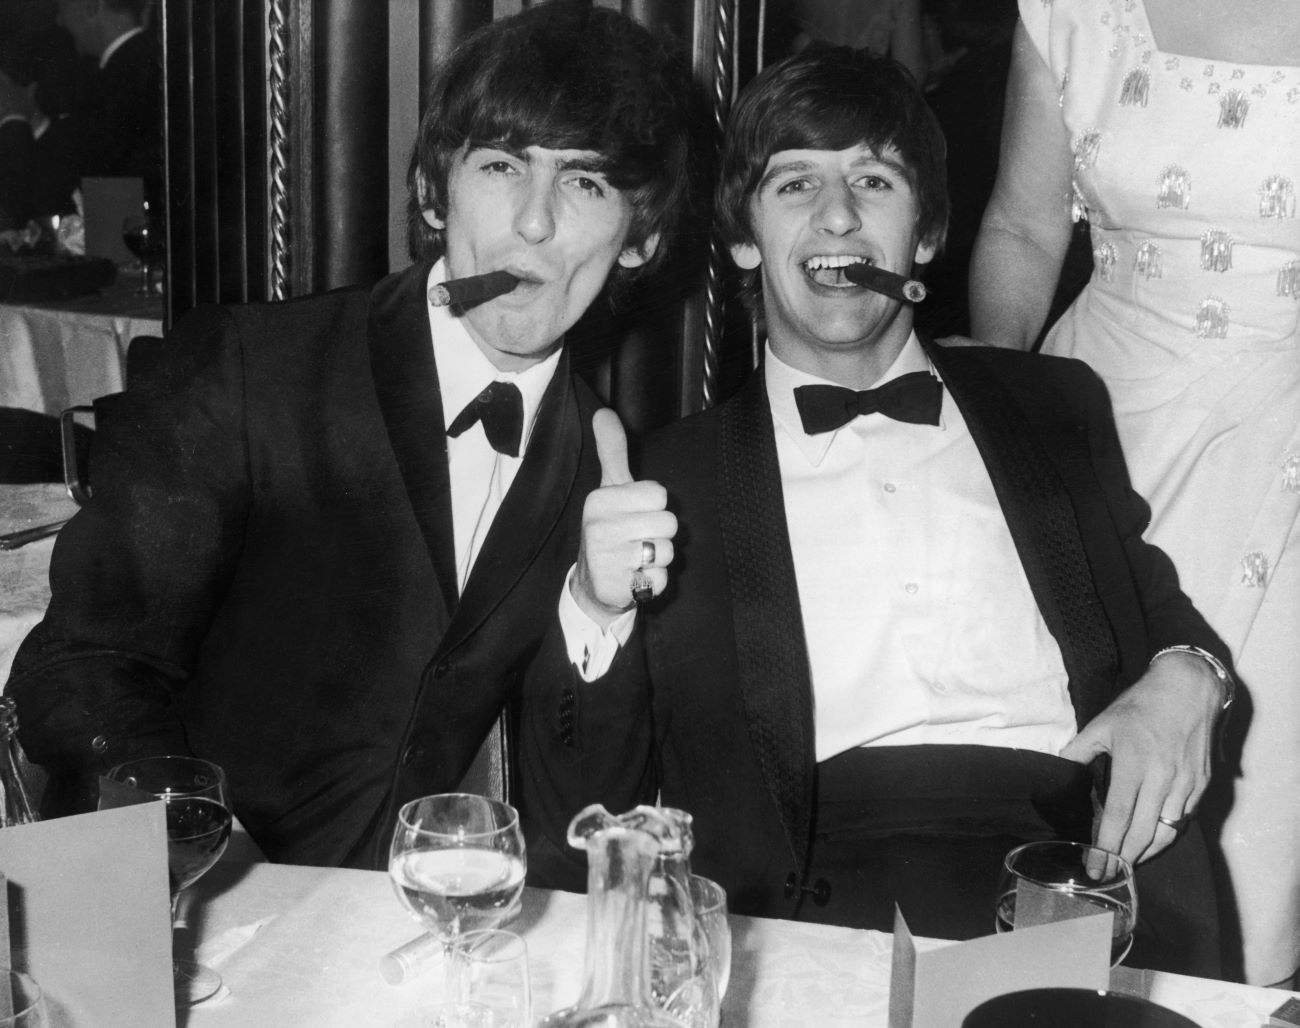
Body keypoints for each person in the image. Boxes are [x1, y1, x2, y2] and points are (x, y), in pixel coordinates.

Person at [521, 46, 1234, 978]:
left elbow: (1154, 605)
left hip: (1078, 875)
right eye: (795, 185)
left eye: (874, 178)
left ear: (926, 233)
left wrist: (1195, 674)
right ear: (743, 238)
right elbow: (578, 816)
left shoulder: (1052, 404)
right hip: (816, 906)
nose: (840, 215)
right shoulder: (660, 478)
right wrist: (596, 607)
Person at [4, 1, 702, 871]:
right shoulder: (253, 369)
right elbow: (77, 667)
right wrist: (201, 846)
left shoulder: (603, 470)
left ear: (639, 240)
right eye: (500, 165)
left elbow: (580, 827)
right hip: (195, 923)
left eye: (586, 182)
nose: (534, 221)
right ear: (431, 193)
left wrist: (600, 616)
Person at [968, 0, 1300, 988]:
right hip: (1095, 449)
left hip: (1281, 482)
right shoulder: (1075, 9)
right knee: (1052, 840)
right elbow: (1022, 229)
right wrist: (994, 421)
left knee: (1237, 885)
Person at [0, 0, 160, 221]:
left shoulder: (117, 80)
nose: (60, 21)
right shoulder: (143, 64)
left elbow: (98, 183)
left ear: (92, 7)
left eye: (62, 8)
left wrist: (14, 118)